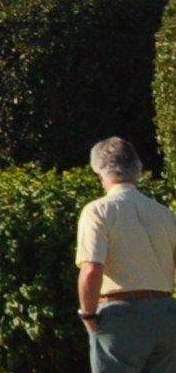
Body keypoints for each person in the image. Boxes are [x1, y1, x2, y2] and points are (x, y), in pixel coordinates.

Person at [81, 137, 176, 372]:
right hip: (165, 312)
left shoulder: (98, 211)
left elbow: (91, 269)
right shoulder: (164, 213)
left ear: (100, 173)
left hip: (120, 315)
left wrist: (88, 315)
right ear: (138, 169)